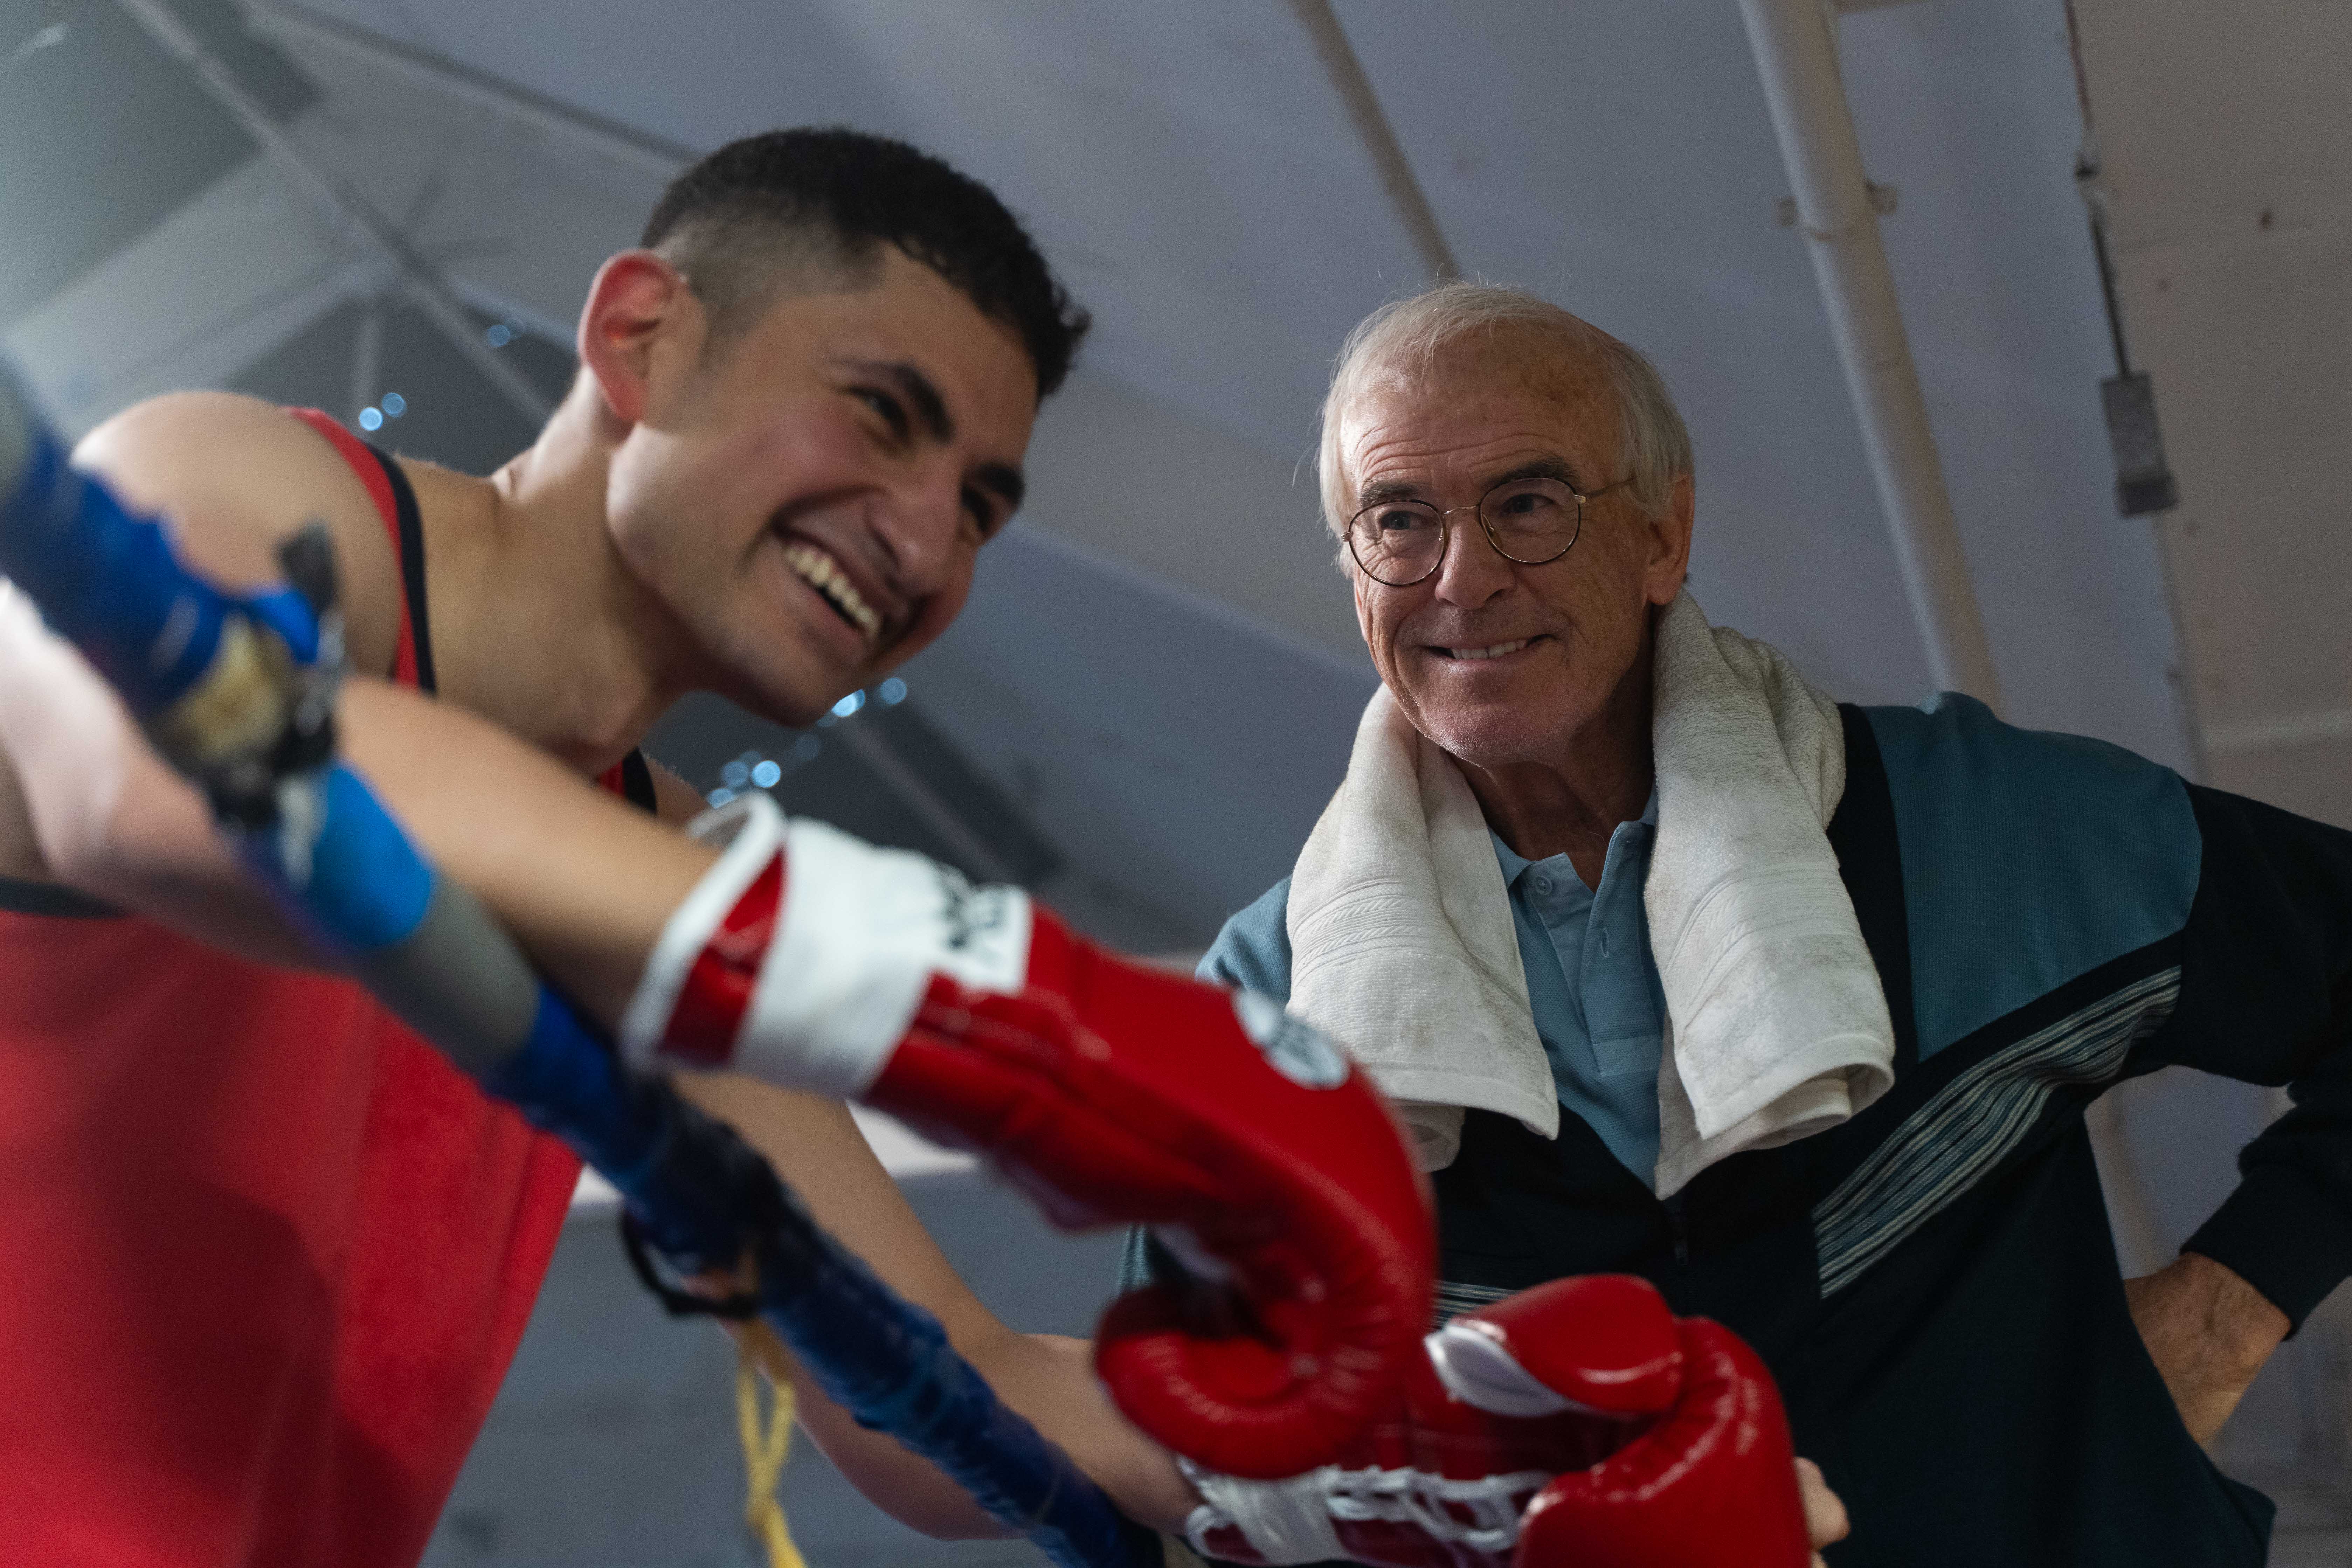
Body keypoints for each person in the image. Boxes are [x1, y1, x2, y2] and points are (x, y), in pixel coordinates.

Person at [0, 126, 1204, 1564]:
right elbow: (164, 782)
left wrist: (1373, 1451)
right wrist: (1005, 992)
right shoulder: (254, 489)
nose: (927, 546)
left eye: (980, 510)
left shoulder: (655, 868)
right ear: (642, 341)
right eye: (883, 416)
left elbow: (941, 1388)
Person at [1126, 278, 2352, 1567]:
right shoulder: (1264, 1004)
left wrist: (2227, 1312)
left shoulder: (1979, 830)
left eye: (1528, 504)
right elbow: (1195, 1457)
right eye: (1397, 520)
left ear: (1663, 537)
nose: (1463, 579)